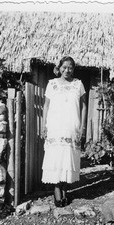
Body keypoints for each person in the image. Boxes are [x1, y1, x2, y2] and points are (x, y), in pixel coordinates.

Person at [41, 56, 87, 207]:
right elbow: (46, 106)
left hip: (71, 127)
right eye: (64, 67)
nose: (67, 70)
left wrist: (82, 127)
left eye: (70, 68)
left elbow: (84, 106)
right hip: (55, 127)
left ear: (73, 69)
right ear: (59, 67)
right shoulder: (52, 84)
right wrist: (44, 125)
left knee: (68, 158)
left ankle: (65, 189)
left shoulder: (78, 84)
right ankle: (56, 190)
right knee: (56, 158)